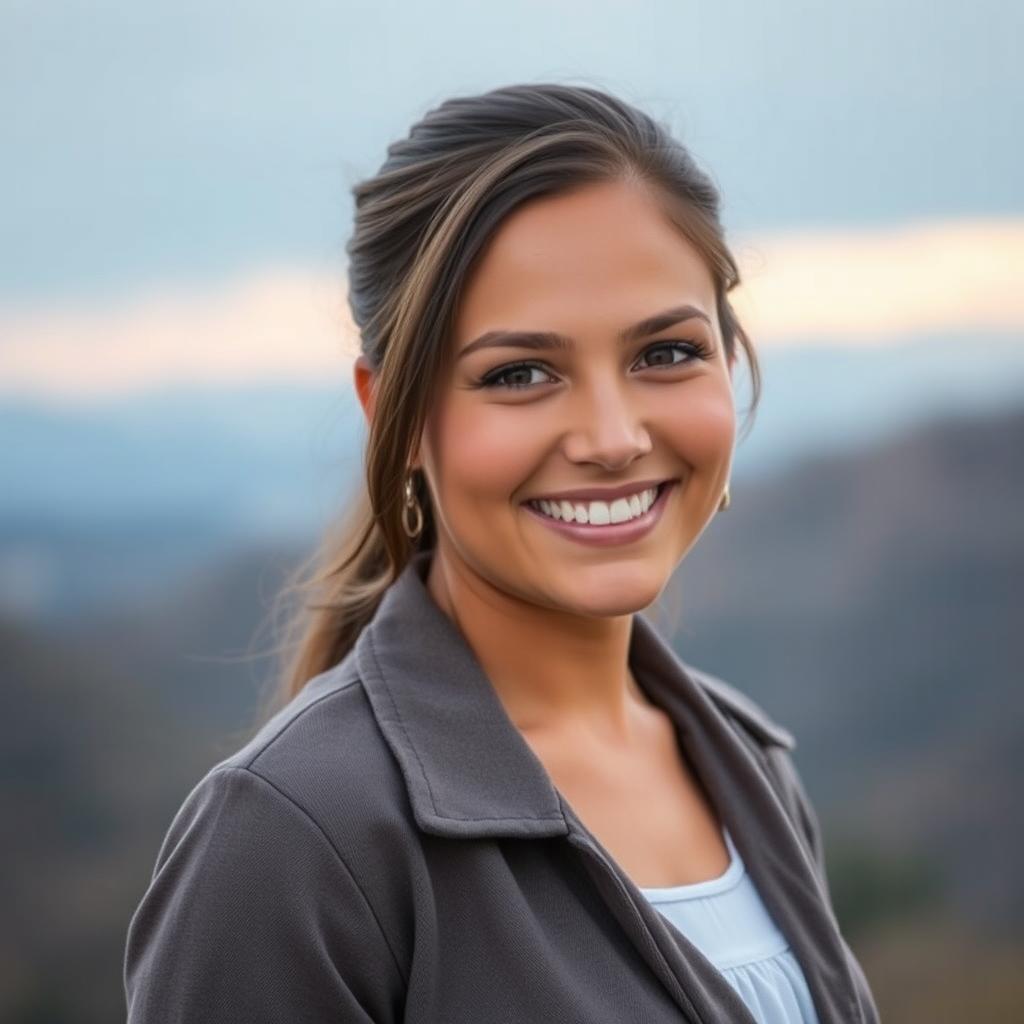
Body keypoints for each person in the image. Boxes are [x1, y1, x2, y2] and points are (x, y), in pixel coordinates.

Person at [124, 83, 880, 1023]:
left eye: (665, 353)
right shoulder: (290, 838)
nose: (611, 436)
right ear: (391, 416)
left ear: (727, 359)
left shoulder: (746, 761)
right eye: (519, 374)